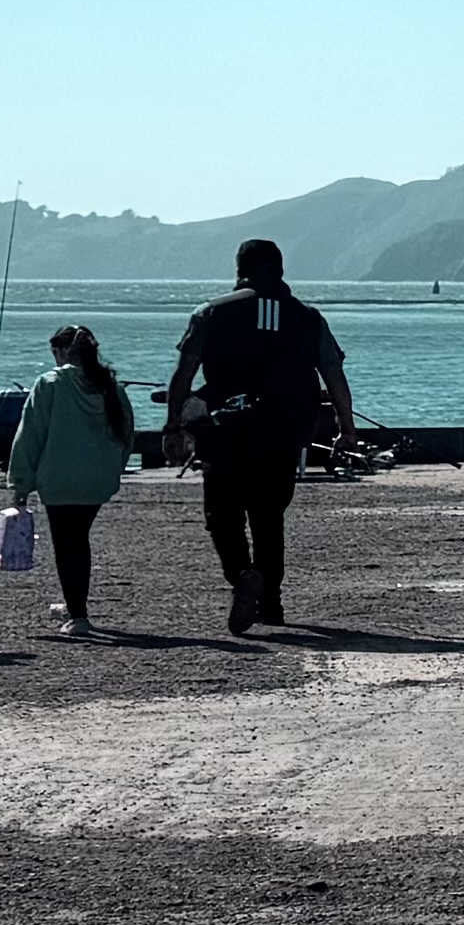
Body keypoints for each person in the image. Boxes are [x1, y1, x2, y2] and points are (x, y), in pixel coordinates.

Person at [161, 239, 354, 634]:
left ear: (238, 270)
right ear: (281, 271)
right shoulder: (309, 318)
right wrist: (347, 429)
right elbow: (334, 376)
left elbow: (184, 373)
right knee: (269, 517)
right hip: (284, 433)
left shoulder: (210, 313)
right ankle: (271, 602)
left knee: (222, 516)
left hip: (225, 431)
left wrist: (173, 426)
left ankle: (242, 574)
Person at [6, 322, 141, 639]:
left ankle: (78, 615)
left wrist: (20, 484)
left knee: (68, 544)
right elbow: (126, 436)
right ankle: (73, 603)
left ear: (62, 351)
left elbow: (30, 436)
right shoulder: (110, 386)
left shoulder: (51, 383)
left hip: (59, 478)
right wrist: (113, 470)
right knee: (77, 538)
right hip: (97, 481)